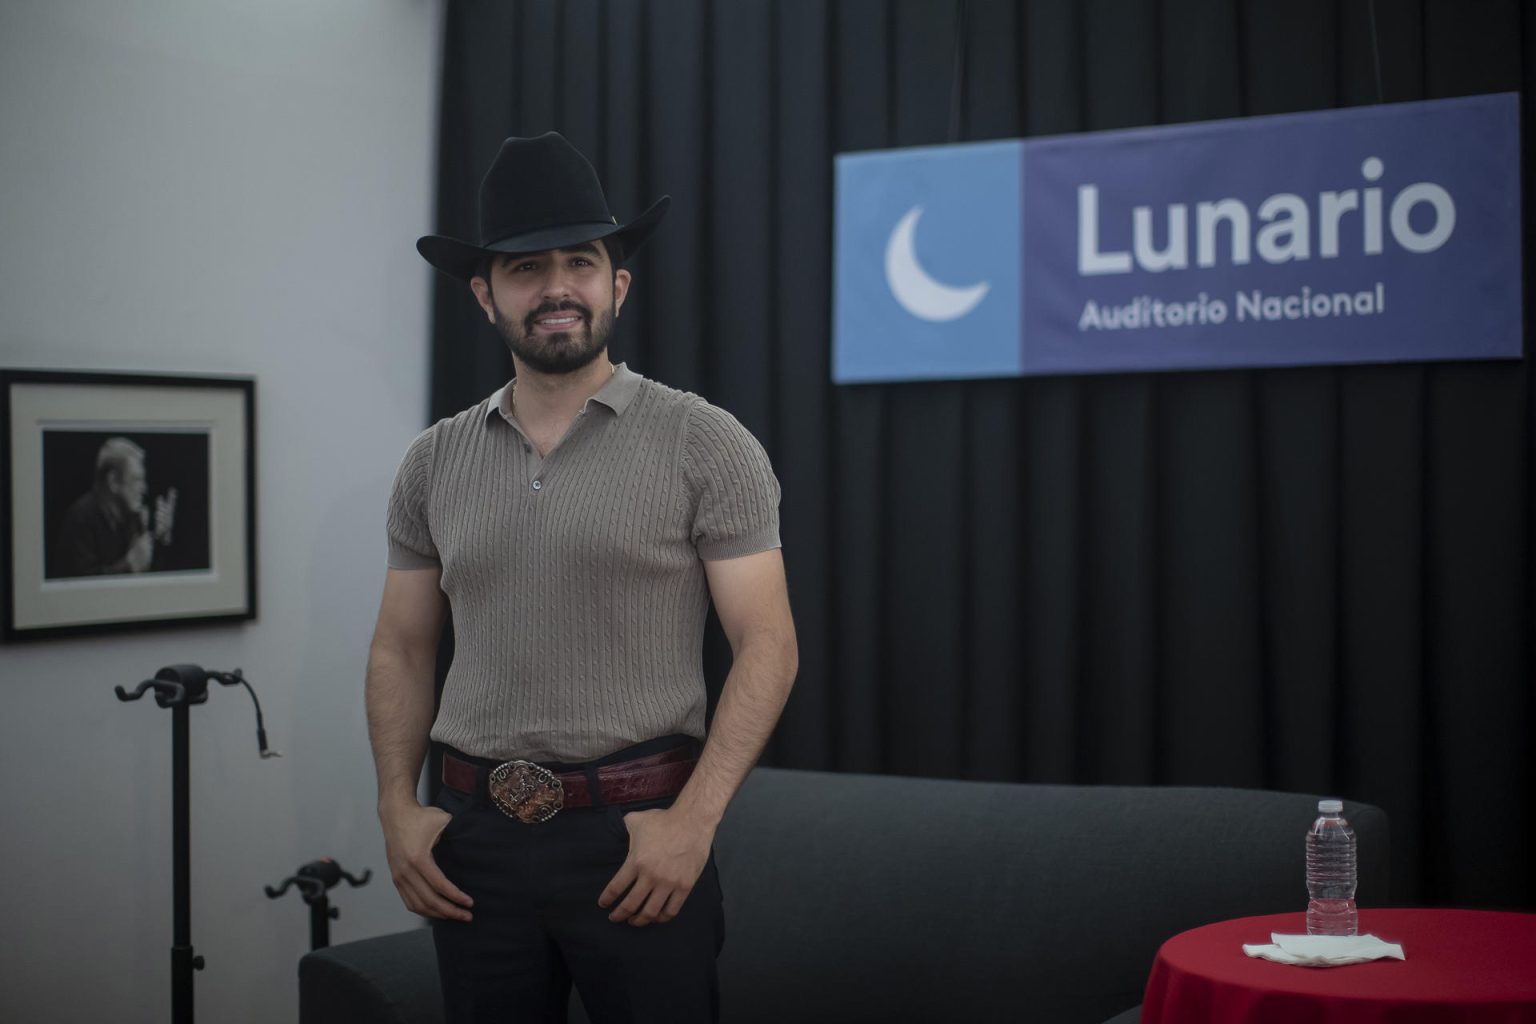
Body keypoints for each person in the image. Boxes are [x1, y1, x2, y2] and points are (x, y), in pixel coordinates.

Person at [366, 132, 798, 1024]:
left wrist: (696, 822)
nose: (556, 286)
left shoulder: (706, 443)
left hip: (638, 839)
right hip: (471, 840)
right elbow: (402, 649)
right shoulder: (431, 461)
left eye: (580, 262)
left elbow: (768, 646)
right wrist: (394, 810)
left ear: (617, 285)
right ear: (485, 295)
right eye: (526, 268)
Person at [52, 436, 176, 577]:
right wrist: (129, 565)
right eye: (136, 480)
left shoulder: (132, 517)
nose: (144, 489)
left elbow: (148, 579)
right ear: (113, 482)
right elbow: (82, 587)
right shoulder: (80, 519)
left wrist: (161, 540)